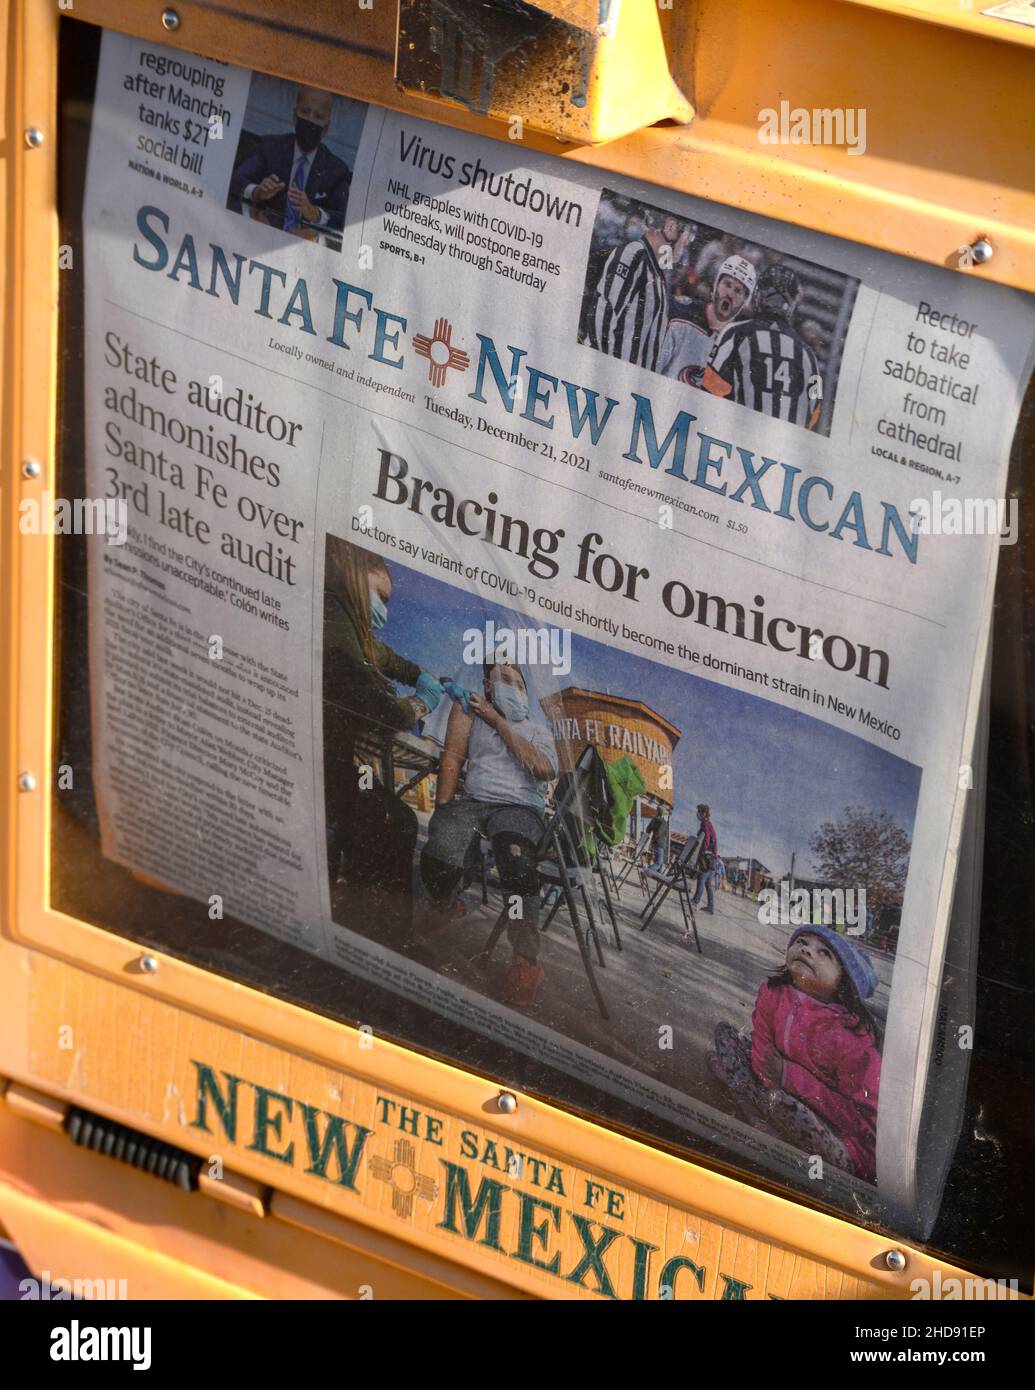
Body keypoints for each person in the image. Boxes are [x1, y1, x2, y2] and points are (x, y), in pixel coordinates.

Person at [322, 538, 445, 952]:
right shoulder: (332, 615)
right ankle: (377, 938)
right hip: (320, 763)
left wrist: (426, 677)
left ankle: (366, 925)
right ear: (356, 578)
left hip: (334, 759)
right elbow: (380, 711)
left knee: (386, 811)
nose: (385, 611)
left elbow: (390, 659)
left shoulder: (354, 626)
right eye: (381, 595)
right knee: (396, 821)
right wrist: (418, 704)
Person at [419, 658, 558, 1007]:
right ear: (487, 687)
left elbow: (542, 769)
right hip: (475, 800)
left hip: (520, 810)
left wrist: (497, 722)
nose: (512, 687)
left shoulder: (538, 731)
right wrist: (444, 809)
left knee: (517, 864)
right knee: (442, 847)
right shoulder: (469, 711)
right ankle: (446, 901)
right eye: (502, 679)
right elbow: (451, 757)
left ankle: (526, 961)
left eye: (517, 682)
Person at [708, 926, 881, 1180]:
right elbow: (762, 1043)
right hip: (776, 1090)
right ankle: (758, 1104)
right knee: (725, 1033)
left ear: (844, 980)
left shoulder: (851, 1039)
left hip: (839, 1136)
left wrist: (791, 1078)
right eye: (802, 942)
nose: (807, 950)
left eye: (824, 953)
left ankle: (751, 1102)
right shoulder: (774, 993)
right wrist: (769, 1081)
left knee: (789, 1109)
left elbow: (862, 1118)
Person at [694, 263, 823, 429]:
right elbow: (814, 414)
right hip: (781, 450)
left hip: (736, 442)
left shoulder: (736, 333)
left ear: (758, 296)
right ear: (791, 305)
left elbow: (710, 389)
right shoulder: (808, 356)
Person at [230, 85, 351, 239]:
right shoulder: (271, 147)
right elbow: (236, 179)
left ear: (326, 128)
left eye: (318, 117)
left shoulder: (337, 170)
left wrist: (315, 214)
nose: (310, 121)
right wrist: (257, 192)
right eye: (305, 112)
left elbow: (344, 219)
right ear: (295, 116)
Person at [586, 209, 690, 371]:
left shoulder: (659, 274)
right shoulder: (635, 255)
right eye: (687, 236)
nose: (686, 243)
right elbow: (602, 321)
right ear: (671, 228)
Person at [660, 254, 756, 379]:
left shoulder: (738, 346)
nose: (730, 294)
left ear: (744, 303)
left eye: (738, 291)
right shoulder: (679, 313)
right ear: (716, 286)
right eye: (727, 284)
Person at [691, 803, 718, 914]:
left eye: (699, 812)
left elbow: (706, 839)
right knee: (707, 883)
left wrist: (702, 854)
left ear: (704, 813)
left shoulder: (705, 823)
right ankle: (710, 907)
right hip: (712, 857)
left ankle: (695, 902)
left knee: (701, 879)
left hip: (707, 857)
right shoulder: (709, 824)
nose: (697, 814)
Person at [646, 807, 671, 872]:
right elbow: (659, 832)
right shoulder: (664, 822)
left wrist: (653, 839)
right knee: (659, 863)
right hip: (660, 844)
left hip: (655, 844)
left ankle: (657, 877)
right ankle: (647, 870)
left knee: (660, 863)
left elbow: (647, 830)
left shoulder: (653, 820)